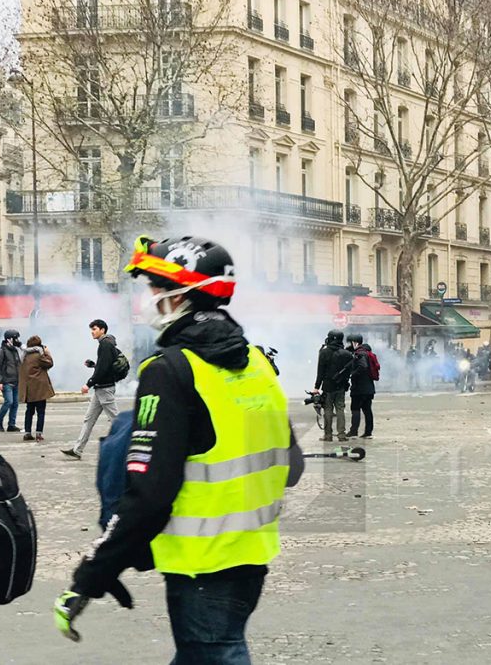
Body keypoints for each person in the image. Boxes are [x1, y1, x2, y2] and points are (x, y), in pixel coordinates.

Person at [54, 235, 304, 658]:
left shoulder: (169, 370)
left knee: (215, 652)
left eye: (154, 288)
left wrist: (93, 573)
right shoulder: (257, 362)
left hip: (199, 563)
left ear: (181, 295)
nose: (148, 298)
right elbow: (292, 466)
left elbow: (149, 494)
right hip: (252, 555)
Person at [61, 320, 120, 460]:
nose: (92, 332)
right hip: (101, 389)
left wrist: (89, 383)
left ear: (102, 330)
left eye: (94, 329)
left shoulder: (105, 344)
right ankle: (77, 450)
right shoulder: (107, 343)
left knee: (117, 420)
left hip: (104, 389)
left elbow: (104, 369)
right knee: (88, 419)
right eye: (91, 329)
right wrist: (94, 365)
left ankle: (131, 446)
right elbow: (104, 366)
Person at [314, 329, 353, 442]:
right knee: (340, 409)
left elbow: (320, 371)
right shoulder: (346, 353)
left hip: (327, 386)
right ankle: (341, 435)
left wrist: (316, 387)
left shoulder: (324, 352)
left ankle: (328, 435)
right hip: (341, 386)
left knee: (328, 410)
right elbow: (349, 372)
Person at [19, 335, 54, 442]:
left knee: (29, 411)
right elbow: (50, 363)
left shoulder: (24, 356)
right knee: (41, 412)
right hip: (39, 388)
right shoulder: (39, 355)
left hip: (28, 389)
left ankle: (27, 433)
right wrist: (47, 353)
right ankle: (39, 433)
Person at [0, 329, 23, 433]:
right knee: (8, 402)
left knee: (15, 404)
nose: (17, 340)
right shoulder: (1, 351)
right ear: (9, 339)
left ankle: (11, 425)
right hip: (6, 382)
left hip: (16, 381)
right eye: (15, 338)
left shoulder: (15, 351)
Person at [346, 333, 375, 438]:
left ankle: (354, 431)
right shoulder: (367, 352)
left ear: (355, 342)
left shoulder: (360, 353)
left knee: (355, 409)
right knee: (367, 410)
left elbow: (363, 366)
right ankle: (368, 432)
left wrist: (352, 375)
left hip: (359, 388)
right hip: (368, 388)